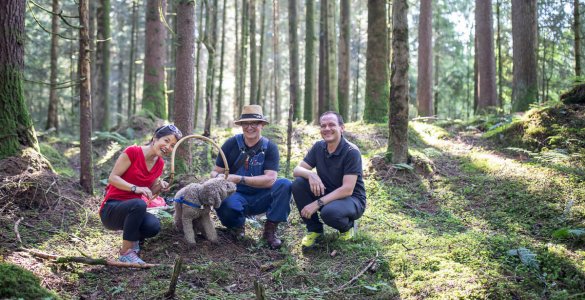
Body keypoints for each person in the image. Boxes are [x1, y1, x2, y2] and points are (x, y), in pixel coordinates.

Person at [99, 124, 183, 264]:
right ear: (155, 138)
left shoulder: (159, 164)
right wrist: (134, 188)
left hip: (134, 210)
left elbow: (149, 191)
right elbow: (112, 178)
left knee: (153, 226)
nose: (168, 147)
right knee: (138, 204)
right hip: (111, 209)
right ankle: (126, 252)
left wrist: (159, 187)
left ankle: (134, 242)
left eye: (173, 145)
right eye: (166, 141)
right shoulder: (133, 152)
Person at [210, 105, 291, 249]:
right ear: (241, 125)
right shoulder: (231, 144)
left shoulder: (270, 148)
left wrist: (240, 179)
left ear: (262, 125)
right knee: (225, 202)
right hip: (235, 194)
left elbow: (270, 179)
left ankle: (270, 231)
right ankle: (237, 227)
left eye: (254, 123)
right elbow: (215, 172)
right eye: (246, 123)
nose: (250, 127)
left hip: (261, 196)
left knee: (285, 184)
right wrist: (219, 177)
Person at [292, 111, 366, 250]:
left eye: (332, 124)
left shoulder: (351, 152)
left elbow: (347, 189)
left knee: (329, 213)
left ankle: (347, 227)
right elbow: (297, 170)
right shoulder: (319, 147)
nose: (327, 129)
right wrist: (311, 175)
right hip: (328, 192)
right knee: (298, 184)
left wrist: (317, 203)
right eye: (323, 125)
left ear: (342, 128)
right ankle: (315, 230)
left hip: (352, 199)